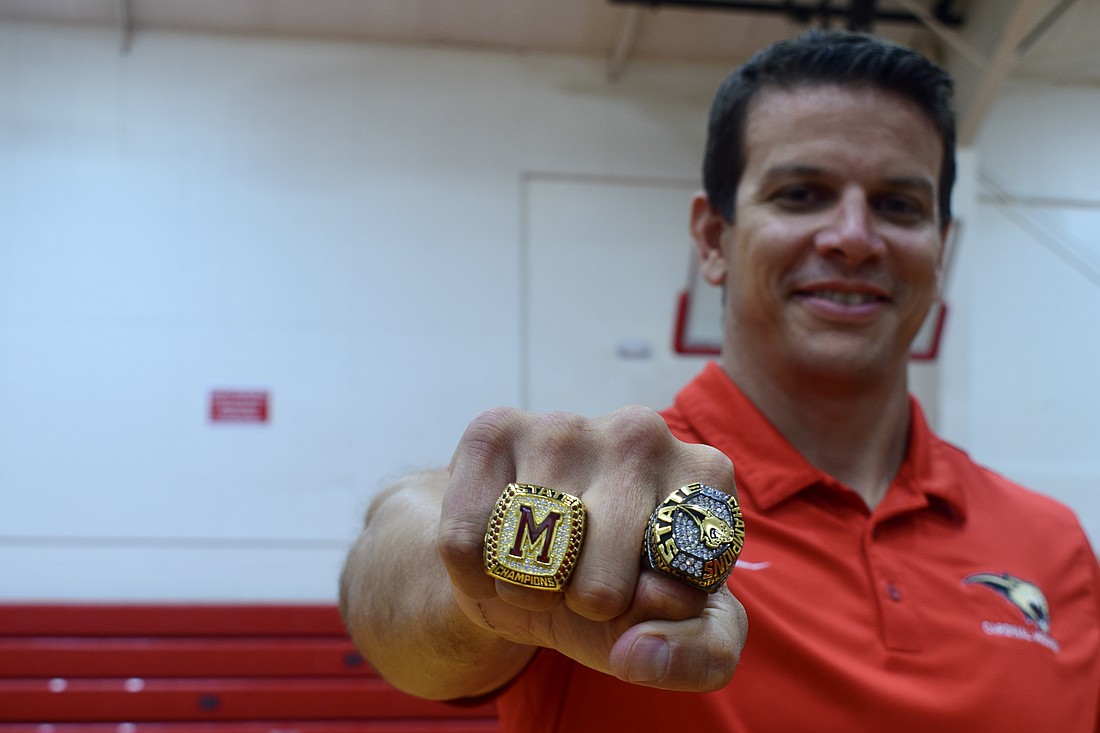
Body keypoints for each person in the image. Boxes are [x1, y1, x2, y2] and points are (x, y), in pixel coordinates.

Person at [340, 29, 1100, 732]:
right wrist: (466, 560)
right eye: (800, 194)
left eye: (899, 205)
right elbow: (402, 584)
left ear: (940, 251)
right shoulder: (616, 503)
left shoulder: (1054, 545)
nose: (854, 237)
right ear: (713, 238)